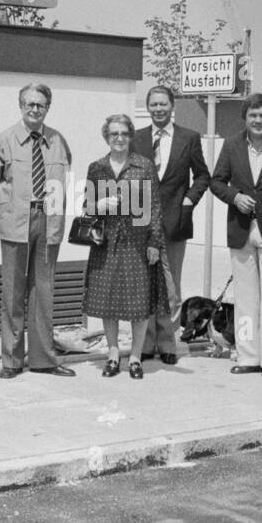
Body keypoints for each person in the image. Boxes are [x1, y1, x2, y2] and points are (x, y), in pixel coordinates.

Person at [0, 82, 75, 379]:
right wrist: (11, 208)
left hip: (48, 222)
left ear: (48, 107)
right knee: (13, 292)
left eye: (41, 105)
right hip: (15, 224)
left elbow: (64, 177)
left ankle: (43, 360)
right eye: (30, 104)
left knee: (43, 292)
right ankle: (11, 360)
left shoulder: (58, 141)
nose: (35, 109)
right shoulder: (3, 141)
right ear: (20, 105)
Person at [82, 114, 167, 379]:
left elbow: (154, 206)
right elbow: (86, 206)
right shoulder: (96, 167)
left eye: (124, 134)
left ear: (131, 136)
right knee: (108, 301)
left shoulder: (143, 166)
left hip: (137, 241)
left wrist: (154, 242)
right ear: (106, 137)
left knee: (137, 302)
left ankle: (135, 357)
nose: (119, 138)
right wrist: (99, 205)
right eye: (114, 134)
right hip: (106, 242)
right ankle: (112, 354)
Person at [209, 92, 262, 380]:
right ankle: (247, 356)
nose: (258, 120)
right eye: (253, 115)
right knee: (244, 300)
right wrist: (235, 196)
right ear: (245, 118)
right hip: (240, 230)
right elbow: (217, 182)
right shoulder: (231, 145)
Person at [132, 85, 209, 365]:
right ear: (148, 107)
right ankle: (146, 342)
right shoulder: (136, 138)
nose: (159, 109)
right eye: (154, 104)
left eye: (163, 104)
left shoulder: (189, 138)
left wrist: (189, 200)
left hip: (176, 220)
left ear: (172, 106)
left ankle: (167, 343)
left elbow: (203, 176)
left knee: (170, 286)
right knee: (144, 285)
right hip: (141, 223)